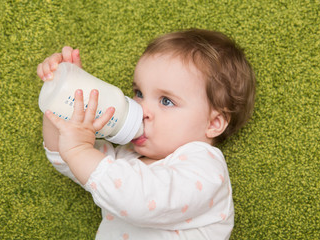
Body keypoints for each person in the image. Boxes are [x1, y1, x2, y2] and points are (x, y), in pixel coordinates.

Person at [37, 29, 256, 239]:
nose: (141, 109)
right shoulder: (125, 157)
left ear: (214, 123)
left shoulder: (205, 167)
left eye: (166, 101)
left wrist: (79, 150)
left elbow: (140, 201)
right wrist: (65, 100)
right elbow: (64, 157)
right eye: (139, 93)